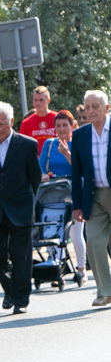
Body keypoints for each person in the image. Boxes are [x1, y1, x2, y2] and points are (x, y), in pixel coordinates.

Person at [0, 101, 42, 314]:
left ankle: (20, 298)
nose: (0, 128)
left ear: (12, 122)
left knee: (21, 255)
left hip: (20, 206)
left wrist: (33, 203)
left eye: (4, 123)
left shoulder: (27, 144)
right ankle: (9, 289)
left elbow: (35, 177)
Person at [71, 91, 111, 307]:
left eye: (95, 106)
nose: (91, 111)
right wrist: (77, 205)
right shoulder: (80, 135)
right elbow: (76, 172)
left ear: (107, 108)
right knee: (94, 241)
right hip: (93, 195)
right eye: (87, 107)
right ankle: (105, 291)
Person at [39, 109, 86, 281]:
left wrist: (66, 153)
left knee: (75, 233)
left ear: (72, 126)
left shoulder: (78, 143)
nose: (61, 129)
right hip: (53, 191)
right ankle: (55, 264)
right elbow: (42, 165)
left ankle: (81, 268)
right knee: (52, 229)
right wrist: (43, 174)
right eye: (58, 126)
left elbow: (80, 168)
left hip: (74, 190)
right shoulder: (49, 144)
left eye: (65, 125)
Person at [19, 86, 57, 154]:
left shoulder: (57, 119)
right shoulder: (26, 123)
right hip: (35, 161)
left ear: (48, 100)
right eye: (35, 100)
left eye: (41, 100)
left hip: (55, 160)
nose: (38, 103)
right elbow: (21, 146)